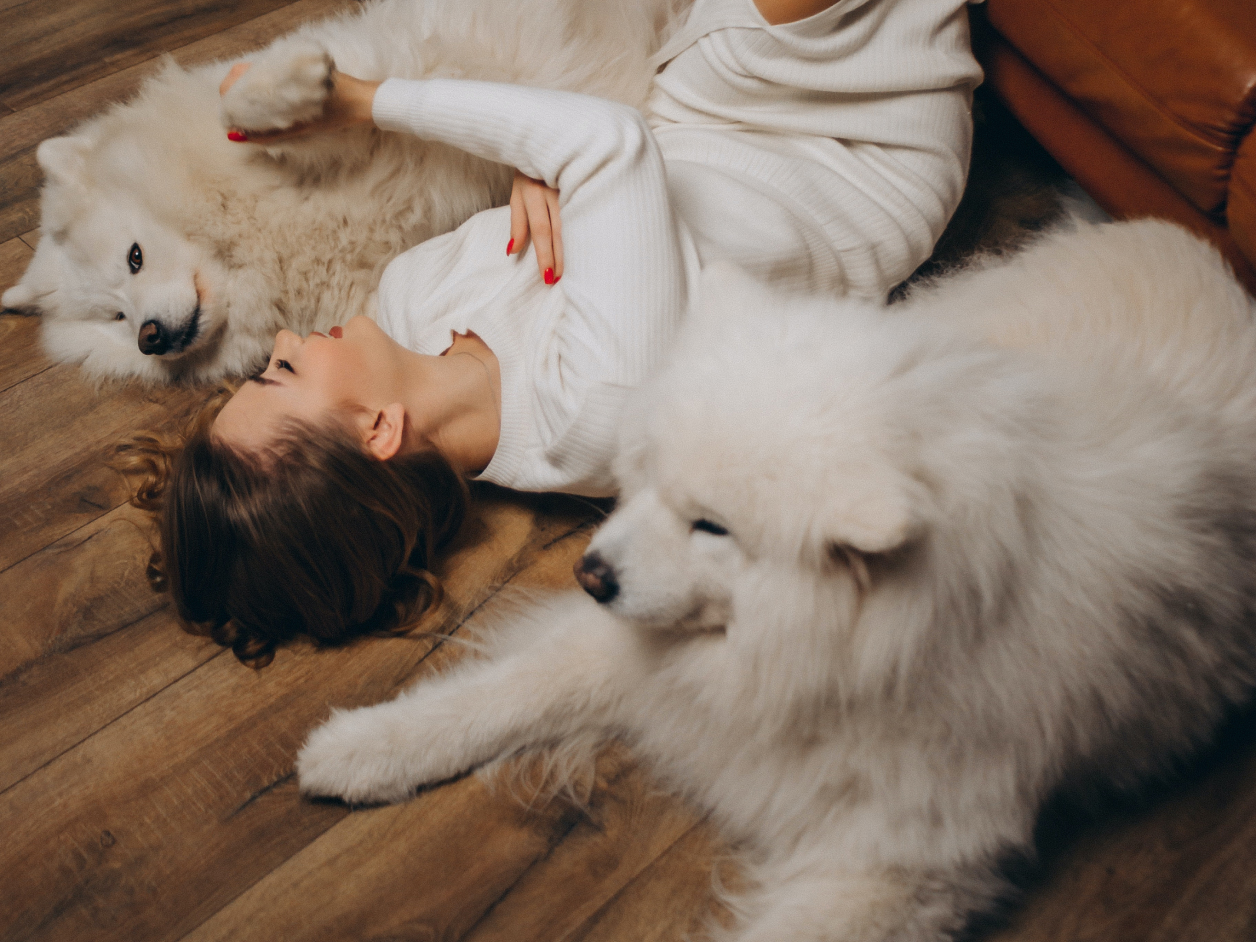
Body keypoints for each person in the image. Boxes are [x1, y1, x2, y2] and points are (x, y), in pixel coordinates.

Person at [126, 0, 982, 667]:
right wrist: (365, 104)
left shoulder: (409, 302)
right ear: (378, 432)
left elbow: (592, 156)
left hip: (693, 108)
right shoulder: (596, 411)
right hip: (846, 143)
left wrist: (539, 164)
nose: (282, 342)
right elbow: (604, 145)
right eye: (281, 376)